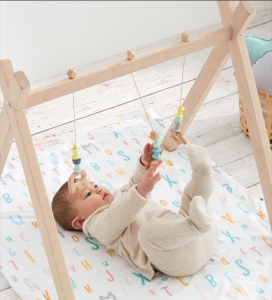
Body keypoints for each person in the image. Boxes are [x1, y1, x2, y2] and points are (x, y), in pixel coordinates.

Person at [52, 143, 215, 280]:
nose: (98, 190)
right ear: (80, 221)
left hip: (195, 237)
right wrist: (141, 191)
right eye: (88, 194)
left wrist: (145, 164)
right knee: (148, 233)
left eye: (94, 186)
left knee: (191, 199)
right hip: (178, 258)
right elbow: (118, 214)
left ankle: (202, 174)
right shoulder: (96, 226)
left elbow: (135, 183)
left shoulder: (120, 195)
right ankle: (195, 224)